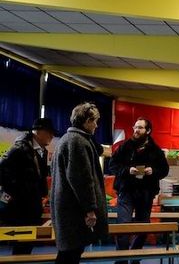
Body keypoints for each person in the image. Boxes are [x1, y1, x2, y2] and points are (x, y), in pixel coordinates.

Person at [51, 102, 108, 264]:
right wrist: (90, 209)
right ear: (86, 121)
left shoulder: (69, 139)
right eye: (94, 121)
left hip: (68, 208)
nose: (96, 125)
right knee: (70, 254)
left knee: (69, 253)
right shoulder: (77, 142)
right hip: (74, 211)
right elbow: (81, 179)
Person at [110, 116, 169, 262]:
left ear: (148, 131)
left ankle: (135, 256)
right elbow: (112, 165)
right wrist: (127, 170)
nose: (136, 130)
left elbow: (164, 170)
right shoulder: (124, 147)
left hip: (146, 193)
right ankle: (122, 259)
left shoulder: (156, 150)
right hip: (126, 190)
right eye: (135, 127)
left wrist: (153, 171)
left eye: (140, 128)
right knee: (123, 226)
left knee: (143, 227)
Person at [0, 118, 55, 254]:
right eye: (49, 132)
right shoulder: (19, 148)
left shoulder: (42, 151)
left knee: (27, 243)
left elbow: (40, 177)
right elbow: (2, 171)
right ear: (38, 131)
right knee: (21, 244)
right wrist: (17, 193)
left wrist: (43, 194)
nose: (52, 136)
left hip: (33, 206)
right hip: (20, 207)